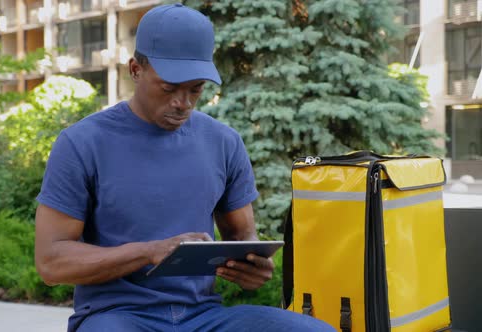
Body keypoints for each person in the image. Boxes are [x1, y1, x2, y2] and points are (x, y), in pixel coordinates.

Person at [35, 3, 335, 332]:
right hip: (117, 316)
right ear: (135, 70)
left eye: (196, 89)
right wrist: (149, 252)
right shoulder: (81, 143)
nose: (183, 103)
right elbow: (52, 262)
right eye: (169, 88)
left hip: (202, 316)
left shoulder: (223, 142)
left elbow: (243, 237)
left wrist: (254, 269)